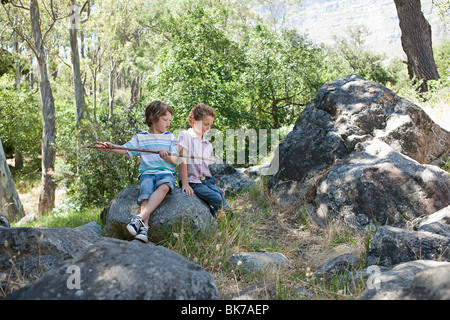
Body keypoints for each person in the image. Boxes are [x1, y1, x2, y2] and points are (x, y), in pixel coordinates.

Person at [95, 100, 178, 242]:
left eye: (169, 120)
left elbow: (175, 159)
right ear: (152, 118)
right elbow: (126, 149)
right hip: (147, 173)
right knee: (145, 195)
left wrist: (167, 156)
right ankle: (143, 229)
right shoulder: (140, 137)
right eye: (165, 119)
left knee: (165, 186)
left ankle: (138, 218)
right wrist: (111, 146)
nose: (168, 123)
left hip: (165, 172)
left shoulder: (170, 137)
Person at [177, 103, 233, 219]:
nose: (208, 128)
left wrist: (214, 185)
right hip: (192, 181)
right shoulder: (186, 136)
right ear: (194, 122)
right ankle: (225, 221)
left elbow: (207, 168)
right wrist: (186, 184)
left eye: (210, 125)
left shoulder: (207, 144)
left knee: (220, 195)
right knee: (216, 198)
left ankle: (227, 222)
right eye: (205, 124)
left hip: (207, 181)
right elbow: (183, 160)